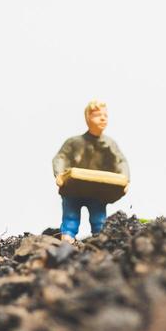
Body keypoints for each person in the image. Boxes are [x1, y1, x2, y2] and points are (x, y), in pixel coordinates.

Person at [52, 100, 130, 238]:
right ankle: (68, 238)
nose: (102, 118)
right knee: (70, 217)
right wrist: (59, 175)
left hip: (97, 190)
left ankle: (100, 240)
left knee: (99, 219)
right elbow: (60, 158)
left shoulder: (109, 144)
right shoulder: (74, 142)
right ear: (87, 117)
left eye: (105, 115)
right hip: (73, 188)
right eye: (97, 115)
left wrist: (125, 179)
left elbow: (120, 161)